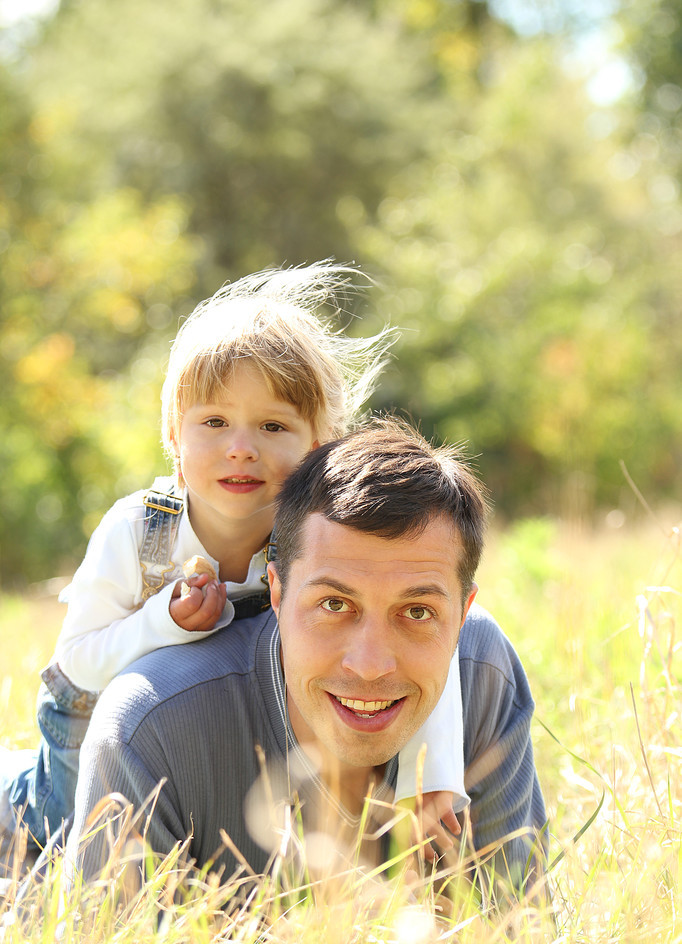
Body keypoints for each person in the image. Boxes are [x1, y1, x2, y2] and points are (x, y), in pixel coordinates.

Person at [0, 263, 467, 866]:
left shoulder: (320, 538)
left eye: (273, 425)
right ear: (173, 432)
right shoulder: (140, 530)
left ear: (320, 444)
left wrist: (433, 778)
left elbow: (435, 639)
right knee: (52, 847)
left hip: (200, 732)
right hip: (88, 729)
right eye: (214, 422)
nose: (241, 446)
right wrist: (164, 624)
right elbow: (76, 660)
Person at [65, 420, 547, 902]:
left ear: (463, 614)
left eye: (417, 612)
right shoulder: (148, 730)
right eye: (335, 605)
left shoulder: (481, 672)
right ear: (275, 592)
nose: (370, 665)